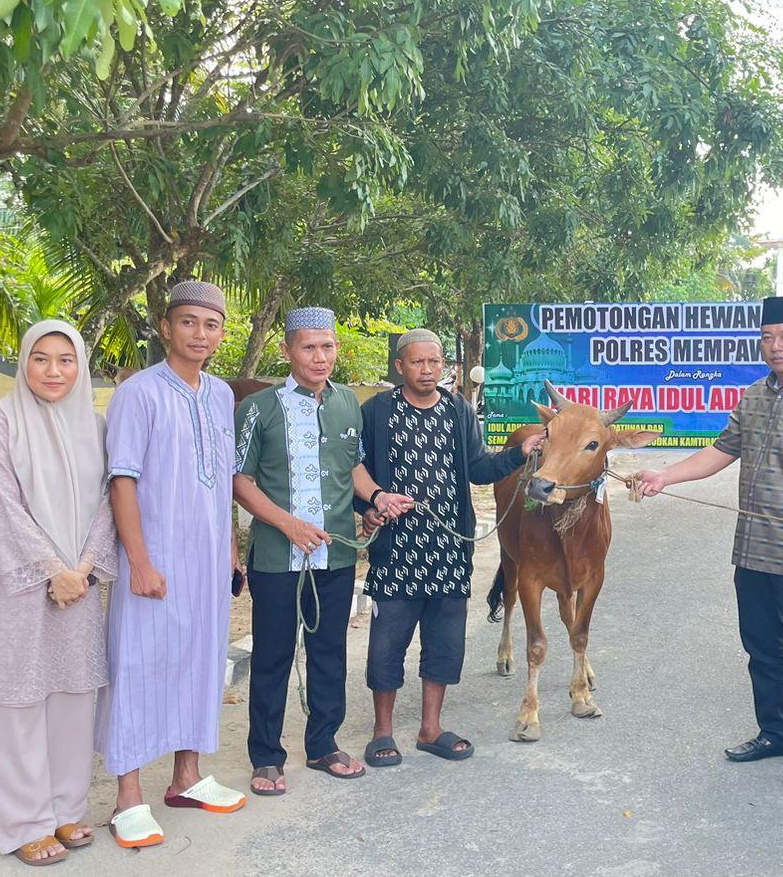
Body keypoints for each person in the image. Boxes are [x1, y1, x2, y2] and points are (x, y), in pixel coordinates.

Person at [636, 295, 783, 786]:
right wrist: (665, 476)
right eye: (767, 337)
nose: (776, 346)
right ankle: (775, 733)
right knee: (761, 646)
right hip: (752, 549)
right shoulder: (755, 395)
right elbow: (721, 451)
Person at [0, 321, 117, 867]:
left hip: (79, 581)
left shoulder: (95, 427)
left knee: (72, 696)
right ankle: (25, 821)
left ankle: (66, 809)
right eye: (40, 358)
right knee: (17, 699)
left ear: (81, 367)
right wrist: (52, 570)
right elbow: (1, 506)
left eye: (65, 360)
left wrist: (84, 567)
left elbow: (108, 503)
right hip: (17, 583)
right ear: (23, 362)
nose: (53, 371)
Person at [96, 281, 247, 849]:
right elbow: (122, 480)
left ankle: (187, 777)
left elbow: (222, 481)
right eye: (188, 322)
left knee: (200, 661)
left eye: (211, 325)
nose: (200, 334)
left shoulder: (221, 395)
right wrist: (138, 561)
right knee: (138, 665)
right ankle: (128, 797)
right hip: (155, 556)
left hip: (207, 560)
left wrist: (230, 547)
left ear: (222, 333)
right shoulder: (138, 393)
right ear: (166, 327)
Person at [356, 329, 543, 765]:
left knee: (444, 642)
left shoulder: (458, 410)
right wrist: (367, 507)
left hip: (449, 548)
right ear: (400, 367)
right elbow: (356, 469)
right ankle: (382, 732)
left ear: (443, 366)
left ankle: (430, 728)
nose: (427, 370)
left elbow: (479, 468)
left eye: (434, 362)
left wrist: (520, 452)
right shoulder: (377, 411)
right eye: (417, 362)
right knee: (387, 644)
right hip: (397, 548)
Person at [233, 307, 379, 795]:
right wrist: (288, 524)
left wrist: (377, 498)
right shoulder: (259, 408)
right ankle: (266, 756)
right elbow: (240, 480)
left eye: (327, 347)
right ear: (287, 350)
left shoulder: (348, 402)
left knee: (329, 653)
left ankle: (323, 745)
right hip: (277, 559)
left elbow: (353, 469)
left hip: (335, 556)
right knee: (272, 656)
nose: (320, 357)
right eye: (309, 347)